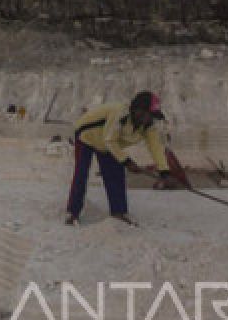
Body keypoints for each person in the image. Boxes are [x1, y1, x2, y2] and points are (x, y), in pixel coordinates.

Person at [65, 91, 170, 226]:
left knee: (116, 174)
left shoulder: (148, 126)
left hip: (107, 142)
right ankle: (73, 213)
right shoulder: (120, 114)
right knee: (81, 173)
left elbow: (156, 147)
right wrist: (127, 162)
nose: (151, 120)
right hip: (86, 135)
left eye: (153, 117)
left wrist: (164, 171)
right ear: (138, 110)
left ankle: (118, 212)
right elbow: (110, 140)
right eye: (150, 115)